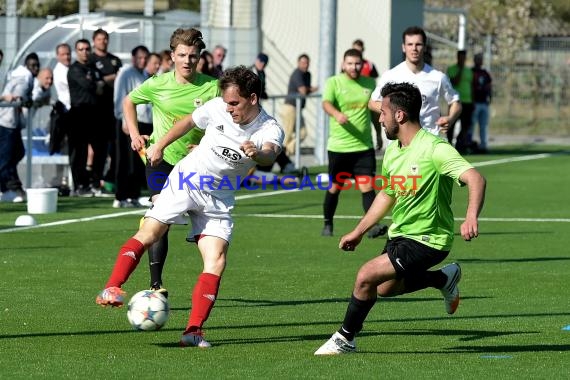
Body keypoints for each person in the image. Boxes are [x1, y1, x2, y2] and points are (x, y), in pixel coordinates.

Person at [95, 66, 284, 349]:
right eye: (227, 102)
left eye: (235, 103)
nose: (229, 108)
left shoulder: (269, 128)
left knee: (216, 260)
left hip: (218, 199)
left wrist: (260, 154)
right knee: (151, 232)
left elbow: (271, 152)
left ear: (253, 98)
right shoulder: (217, 107)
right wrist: (160, 145)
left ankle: (193, 331)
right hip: (187, 180)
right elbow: (187, 122)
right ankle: (112, 287)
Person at [314, 82, 486, 355]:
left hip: (430, 238)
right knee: (383, 288)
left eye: (383, 111)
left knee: (365, 276)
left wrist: (470, 216)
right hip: (401, 234)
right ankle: (443, 279)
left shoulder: (435, 148)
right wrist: (359, 231)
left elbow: (475, 177)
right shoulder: (394, 150)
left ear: (399, 115)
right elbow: (387, 195)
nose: (379, 117)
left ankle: (345, 338)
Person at [120, 28, 220, 295]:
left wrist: (207, 144)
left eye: (193, 56)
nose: (188, 60)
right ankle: (156, 284)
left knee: (207, 223)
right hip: (159, 159)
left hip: (197, 164)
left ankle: (196, 229)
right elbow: (129, 101)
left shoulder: (212, 87)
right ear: (172, 56)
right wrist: (133, 132)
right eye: (182, 55)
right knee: (158, 215)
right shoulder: (157, 83)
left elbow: (225, 122)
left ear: (200, 58)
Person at [320, 48, 387, 239]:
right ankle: (328, 223)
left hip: (363, 147)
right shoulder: (334, 82)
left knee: (367, 187)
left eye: (357, 63)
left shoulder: (369, 83)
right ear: (343, 64)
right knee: (335, 187)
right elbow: (326, 103)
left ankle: (373, 226)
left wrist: (378, 134)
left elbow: (374, 112)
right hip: (339, 147)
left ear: (362, 64)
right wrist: (336, 113)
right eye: (350, 63)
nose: (354, 67)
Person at [369, 26, 461, 137]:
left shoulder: (438, 77)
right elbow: (372, 102)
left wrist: (450, 119)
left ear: (425, 47)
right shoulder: (391, 75)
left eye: (418, 44)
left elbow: (455, 102)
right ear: (403, 47)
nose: (414, 48)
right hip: (401, 141)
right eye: (410, 44)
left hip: (429, 139)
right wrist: (394, 110)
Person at [112, 45, 151, 208]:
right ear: (133, 57)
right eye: (139, 57)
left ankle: (133, 195)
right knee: (125, 160)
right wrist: (124, 120)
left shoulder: (144, 74)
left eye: (145, 58)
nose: (142, 61)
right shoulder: (126, 73)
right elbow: (121, 97)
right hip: (129, 123)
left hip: (144, 123)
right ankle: (121, 196)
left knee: (137, 162)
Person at [0, 52, 40, 203]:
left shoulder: (18, 75)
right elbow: (18, 97)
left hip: (11, 122)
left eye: (37, 65)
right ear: (26, 66)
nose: (35, 68)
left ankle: (8, 186)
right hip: (6, 121)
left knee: (17, 152)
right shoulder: (24, 78)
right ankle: (9, 188)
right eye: (32, 65)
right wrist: (22, 101)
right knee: (5, 158)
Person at [67, 39, 105, 196]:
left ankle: (94, 183)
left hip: (94, 114)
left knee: (100, 149)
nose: (84, 52)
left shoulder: (93, 67)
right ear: (76, 51)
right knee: (79, 152)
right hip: (79, 114)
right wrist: (98, 84)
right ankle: (79, 185)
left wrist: (97, 84)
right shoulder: (74, 69)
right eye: (81, 49)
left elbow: (99, 86)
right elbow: (90, 86)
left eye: (87, 49)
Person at [89, 28, 123, 193]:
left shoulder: (114, 60)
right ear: (94, 41)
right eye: (100, 39)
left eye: (105, 39)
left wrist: (105, 80)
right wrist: (108, 79)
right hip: (96, 113)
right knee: (99, 150)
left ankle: (111, 179)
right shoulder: (90, 60)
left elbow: (120, 80)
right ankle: (95, 182)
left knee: (117, 148)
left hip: (114, 111)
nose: (103, 41)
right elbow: (94, 84)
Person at [281, 53, 318, 155]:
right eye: (303, 62)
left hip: (298, 108)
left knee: (302, 133)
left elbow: (305, 90)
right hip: (290, 107)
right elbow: (303, 90)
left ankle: (286, 154)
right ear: (298, 63)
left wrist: (308, 89)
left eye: (307, 63)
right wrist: (311, 89)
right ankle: (283, 157)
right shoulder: (297, 73)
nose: (305, 65)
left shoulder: (308, 74)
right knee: (287, 135)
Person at [352, 38, 382, 151]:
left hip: (369, 99)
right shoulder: (348, 65)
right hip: (355, 100)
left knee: (375, 119)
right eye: (355, 50)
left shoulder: (369, 64)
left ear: (363, 50)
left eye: (359, 50)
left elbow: (374, 80)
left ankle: (378, 137)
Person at [446, 50, 474, 153]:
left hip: (467, 102)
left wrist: (473, 100)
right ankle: (448, 144)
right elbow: (455, 82)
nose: (462, 60)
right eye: (460, 57)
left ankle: (459, 144)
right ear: (457, 57)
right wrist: (460, 70)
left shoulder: (469, 71)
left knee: (466, 125)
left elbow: (471, 86)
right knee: (451, 123)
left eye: (464, 58)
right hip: (455, 101)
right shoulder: (452, 69)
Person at [471, 53, 492, 154]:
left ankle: (483, 145)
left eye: (481, 59)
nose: (479, 61)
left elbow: (489, 86)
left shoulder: (485, 73)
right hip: (475, 102)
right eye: (478, 59)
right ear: (474, 60)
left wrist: (490, 97)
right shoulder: (471, 72)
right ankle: (469, 143)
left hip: (484, 102)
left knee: (483, 125)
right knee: (472, 125)